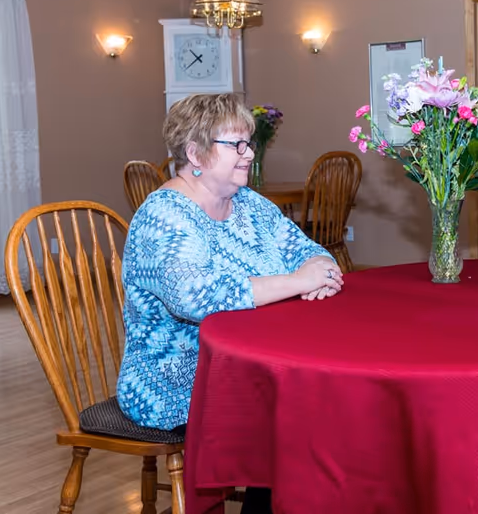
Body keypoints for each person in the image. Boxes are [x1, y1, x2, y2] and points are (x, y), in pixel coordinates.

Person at [116, 93, 343, 514]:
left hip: (256, 365)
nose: (249, 154)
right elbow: (196, 296)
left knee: (326, 400)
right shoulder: (163, 216)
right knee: (308, 410)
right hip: (177, 379)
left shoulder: (249, 205)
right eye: (236, 145)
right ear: (194, 153)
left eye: (249, 143)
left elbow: (310, 251)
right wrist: (296, 281)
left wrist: (319, 270)